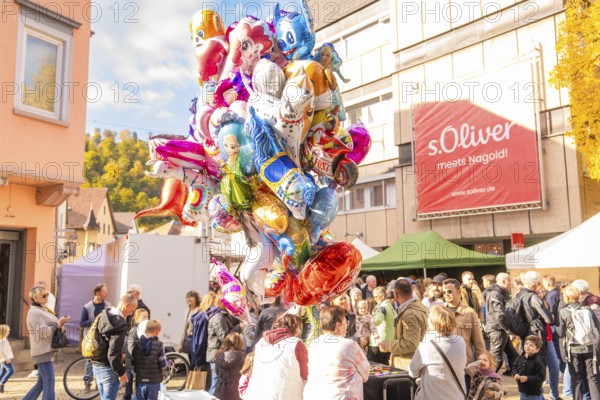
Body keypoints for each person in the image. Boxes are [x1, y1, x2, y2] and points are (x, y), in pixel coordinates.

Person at [304, 306, 369, 399]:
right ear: (338, 325)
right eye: (345, 322)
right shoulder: (349, 345)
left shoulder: (314, 344)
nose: (346, 325)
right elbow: (365, 371)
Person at [244, 314, 308, 400]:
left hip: (256, 393)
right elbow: (306, 372)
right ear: (296, 327)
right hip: (283, 394)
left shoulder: (261, 342)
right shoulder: (295, 343)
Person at [409, 305, 467, 399]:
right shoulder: (460, 341)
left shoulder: (427, 345)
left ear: (431, 323)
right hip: (456, 396)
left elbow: (412, 371)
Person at [24, 285, 69, 400]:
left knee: (41, 384)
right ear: (34, 298)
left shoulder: (42, 309)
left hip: (46, 351)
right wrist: (58, 324)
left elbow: (52, 326)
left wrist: (61, 326)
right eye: (43, 295)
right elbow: (43, 332)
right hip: (42, 352)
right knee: (49, 383)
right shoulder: (34, 312)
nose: (46, 297)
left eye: (47, 294)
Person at [556, 285, 600, 400]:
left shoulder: (563, 311)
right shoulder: (588, 310)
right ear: (579, 295)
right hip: (589, 347)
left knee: (576, 377)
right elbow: (597, 327)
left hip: (573, 349)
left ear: (566, 297)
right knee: (592, 377)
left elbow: (560, 333)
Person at [92, 293, 138, 400]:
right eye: (132, 310)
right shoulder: (119, 323)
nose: (132, 313)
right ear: (126, 305)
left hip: (96, 365)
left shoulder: (105, 313)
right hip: (109, 369)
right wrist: (121, 372)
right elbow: (112, 353)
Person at [379, 279, 428, 370]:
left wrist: (387, 345)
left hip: (409, 366)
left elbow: (410, 343)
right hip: (414, 363)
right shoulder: (419, 307)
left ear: (396, 294)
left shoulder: (410, 314)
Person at [443, 279, 486, 365]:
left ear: (458, 292)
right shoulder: (440, 312)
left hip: (464, 364)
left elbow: (478, 341)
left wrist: (483, 360)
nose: (446, 294)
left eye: (449, 292)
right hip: (445, 363)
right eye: (444, 292)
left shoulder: (470, 313)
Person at [80, 283, 111, 393]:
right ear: (98, 293)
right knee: (89, 362)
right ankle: (87, 384)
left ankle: (99, 384)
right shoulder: (87, 307)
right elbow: (82, 323)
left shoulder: (108, 305)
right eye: (104, 291)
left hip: (103, 339)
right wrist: (95, 321)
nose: (106, 293)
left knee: (102, 362)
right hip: (91, 340)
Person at [485, 273, 519, 375]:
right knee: (496, 359)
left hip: (500, 329)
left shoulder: (499, 293)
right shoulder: (495, 294)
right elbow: (499, 316)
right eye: (510, 282)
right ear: (504, 281)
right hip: (497, 330)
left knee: (513, 355)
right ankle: (485, 381)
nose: (511, 285)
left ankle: (519, 378)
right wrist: (509, 331)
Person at [206, 293, 238, 395]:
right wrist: (238, 328)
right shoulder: (218, 317)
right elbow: (225, 337)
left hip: (218, 354)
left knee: (218, 384)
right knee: (216, 384)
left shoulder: (223, 315)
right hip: (216, 355)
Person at [131, 320, 171, 400]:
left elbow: (133, 362)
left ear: (145, 330)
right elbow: (163, 365)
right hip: (154, 382)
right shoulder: (159, 344)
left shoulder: (136, 344)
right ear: (157, 332)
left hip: (140, 381)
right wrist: (170, 363)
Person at [124, 308, 149, 400]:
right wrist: (133, 363)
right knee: (133, 385)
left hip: (133, 362)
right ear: (136, 319)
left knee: (129, 384)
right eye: (143, 317)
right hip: (133, 363)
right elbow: (130, 347)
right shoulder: (135, 330)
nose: (146, 319)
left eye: (147, 317)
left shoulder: (143, 329)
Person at [513, 335, 546, 400]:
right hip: (523, 390)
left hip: (534, 393)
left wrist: (528, 378)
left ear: (537, 349)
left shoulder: (538, 362)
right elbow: (515, 366)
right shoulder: (520, 357)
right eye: (526, 344)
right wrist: (515, 374)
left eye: (531, 345)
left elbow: (542, 377)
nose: (528, 346)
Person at [368, 286, 395, 364]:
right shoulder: (390, 306)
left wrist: (369, 319)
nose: (375, 298)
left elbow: (377, 321)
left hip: (378, 342)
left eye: (376, 296)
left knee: (373, 367)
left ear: (382, 295)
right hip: (389, 341)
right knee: (385, 368)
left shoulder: (382, 307)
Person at [215, 332, 244, 400]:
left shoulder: (219, 354)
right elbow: (243, 371)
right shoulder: (240, 355)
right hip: (235, 389)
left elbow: (217, 372)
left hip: (220, 389)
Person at [178, 290, 202, 360]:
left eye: (191, 297)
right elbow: (184, 329)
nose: (188, 298)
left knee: (195, 363)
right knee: (191, 362)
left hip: (196, 341)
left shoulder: (200, 311)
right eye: (187, 297)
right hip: (189, 340)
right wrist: (180, 343)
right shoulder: (187, 311)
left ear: (196, 299)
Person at [0, 324, 14, 394]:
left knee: (3, 372)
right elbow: (2, 351)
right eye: (7, 331)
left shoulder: (4, 339)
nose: (8, 333)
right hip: (5, 360)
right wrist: (7, 359)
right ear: (3, 332)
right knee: (11, 371)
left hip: (3, 359)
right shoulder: (3, 341)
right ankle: (2, 383)